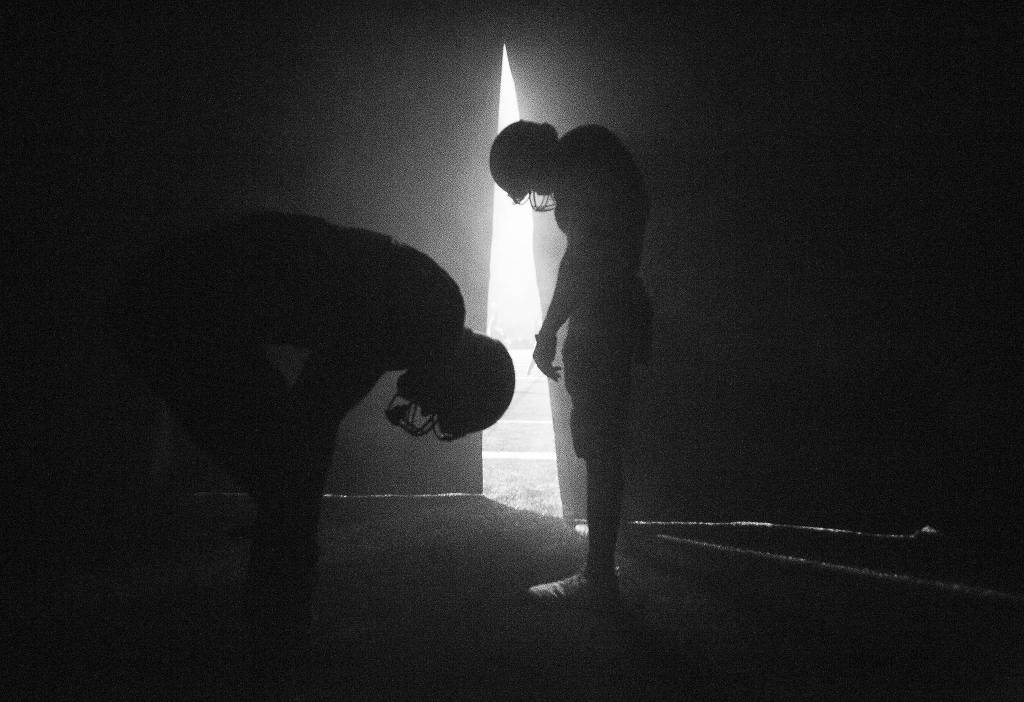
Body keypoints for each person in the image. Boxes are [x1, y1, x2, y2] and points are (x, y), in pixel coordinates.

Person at [117, 211, 515, 693]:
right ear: (462, 381)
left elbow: (317, 405)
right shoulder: (426, 318)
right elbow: (316, 410)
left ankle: (277, 634)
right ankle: (276, 646)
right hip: (184, 306)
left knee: (284, 472)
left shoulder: (433, 311)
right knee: (288, 477)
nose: (429, 411)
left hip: (184, 296)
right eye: (446, 409)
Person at [490, 121, 651, 609]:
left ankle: (599, 576)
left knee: (599, 445)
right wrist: (549, 328)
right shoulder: (590, 154)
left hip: (606, 315)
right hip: (617, 308)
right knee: (603, 443)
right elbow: (579, 256)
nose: (536, 195)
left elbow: (580, 259)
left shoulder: (583, 165)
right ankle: (602, 565)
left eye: (527, 184)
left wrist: (549, 329)